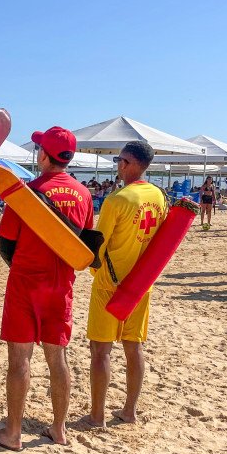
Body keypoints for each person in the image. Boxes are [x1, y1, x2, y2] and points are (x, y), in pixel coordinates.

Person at [0, 127, 93, 449]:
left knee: (19, 359)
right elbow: (84, 247)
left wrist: (24, 266)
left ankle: (13, 432)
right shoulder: (84, 195)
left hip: (25, 284)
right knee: (57, 358)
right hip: (61, 286)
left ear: (43, 155)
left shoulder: (25, 193)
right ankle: (59, 429)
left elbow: (6, 244)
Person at [84, 141, 166, 427]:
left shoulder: (117, 200)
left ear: (127, 163)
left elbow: (98, 243)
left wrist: (92, 270)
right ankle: (129, 411)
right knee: (134, 347)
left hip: (111, 282)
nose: (117, 165)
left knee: (101, 351)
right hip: (142, 283)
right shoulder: (159, 196)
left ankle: (97, 415)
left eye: (119, 160)